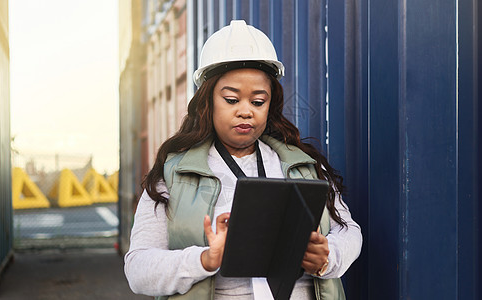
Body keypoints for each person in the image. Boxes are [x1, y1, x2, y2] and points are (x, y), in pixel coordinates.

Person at [124, 20, 362, 300]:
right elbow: (137, 269)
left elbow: (349, 231)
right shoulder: (172, 175)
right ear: (208, 101)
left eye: (258, 101)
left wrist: (328, 256)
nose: (246, 111)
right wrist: (204, 260)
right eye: (231, 99)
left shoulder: (305, 165)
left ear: (270, 104)